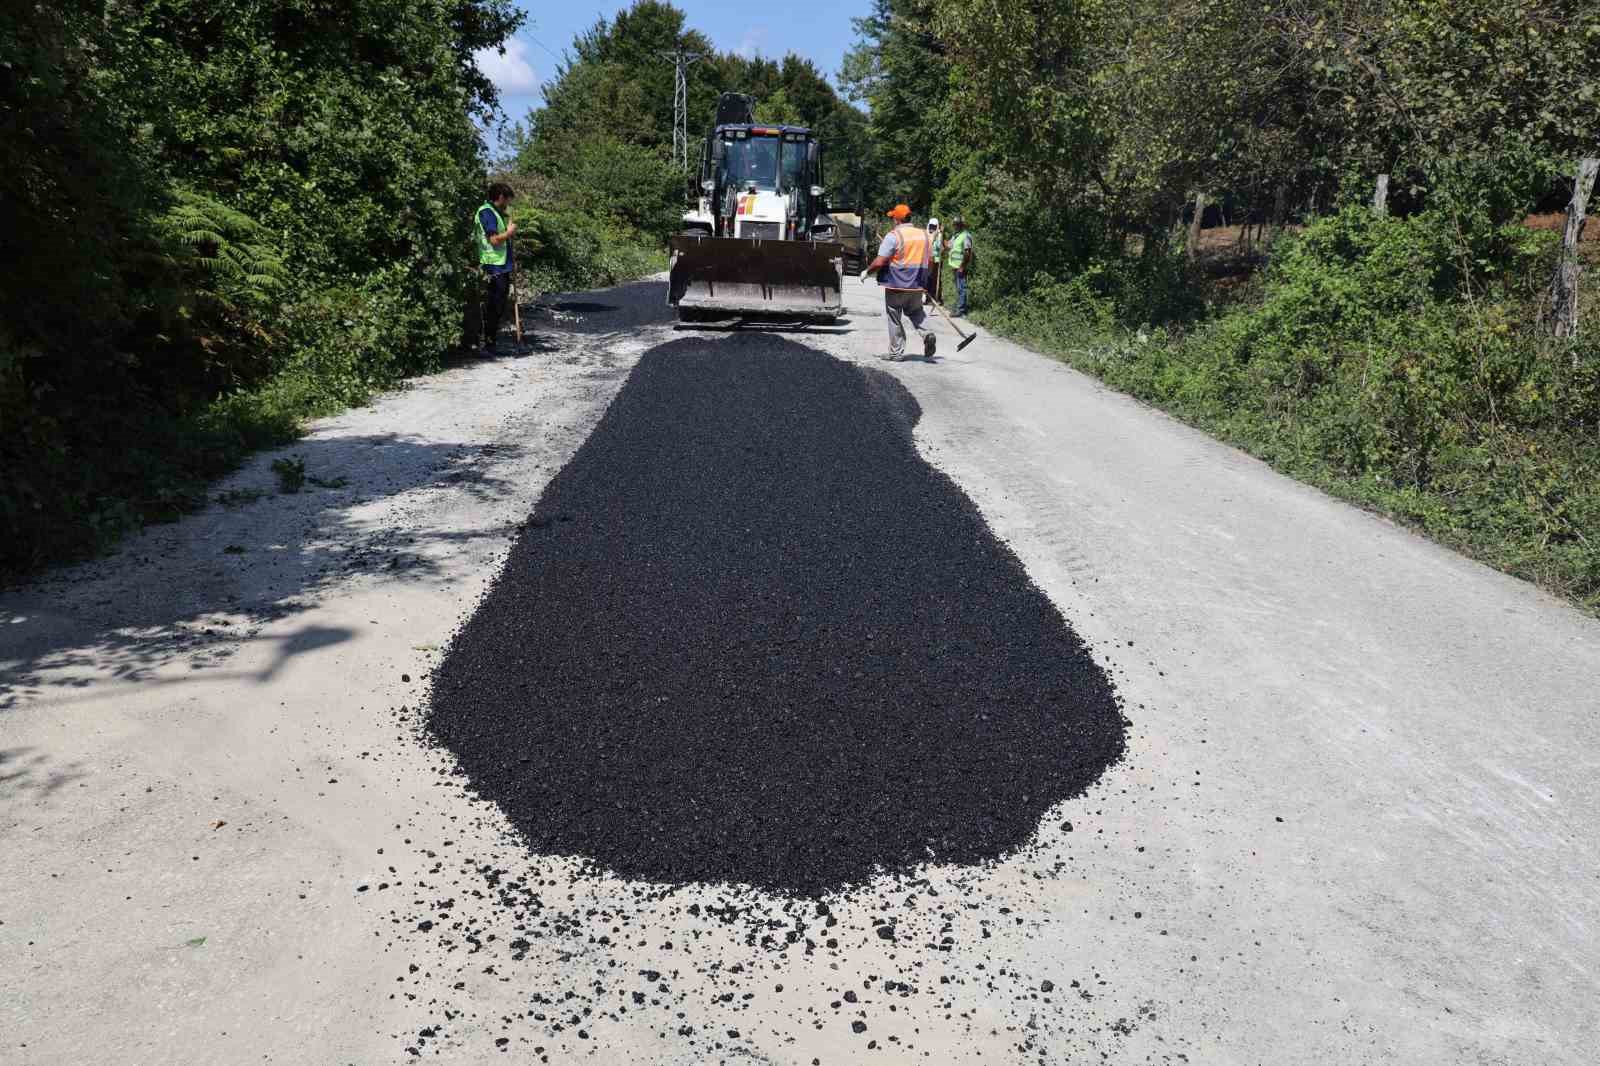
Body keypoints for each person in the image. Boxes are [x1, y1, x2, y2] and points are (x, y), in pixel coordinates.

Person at [862, 204, 936, 361]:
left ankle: (896, 353)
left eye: (893, 218)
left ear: (897, 219)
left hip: (896, 284)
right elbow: (930, 262)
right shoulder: (924, 235)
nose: (892, 221)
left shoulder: (894, 236)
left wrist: (867, 272)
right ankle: (927, 333)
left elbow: (880, 261)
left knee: (894, 316)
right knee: (916, 312)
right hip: (916, 285)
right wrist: (925, 281)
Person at [475, 182, 517, 354]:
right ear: (500, 197)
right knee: (494, 305)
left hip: (501, 264)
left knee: (499, 304)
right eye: (506, 200)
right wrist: (509, 232)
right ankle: (489, 344)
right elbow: (493, 240)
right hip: (493, 264)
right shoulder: (487, 212)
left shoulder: (495, 212)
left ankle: (492, 342)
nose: (507, 204)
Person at [947, 215, 975, 316]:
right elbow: (948, 246)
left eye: (957, 224)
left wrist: (962, 266)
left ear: (961, 225)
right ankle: (959, 305)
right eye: (954, 224)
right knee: (958, 288)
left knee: (961, 288)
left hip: (960, 266)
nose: (955, 226)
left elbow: (967, 252)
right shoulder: (956, 235)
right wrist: (940, 234)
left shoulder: (966, 236)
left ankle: (961, 309)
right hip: (955, 266)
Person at [925, 218, 944, 306]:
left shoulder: (939, 235)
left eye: (934, 226)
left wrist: (938, 238)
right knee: (928, 279)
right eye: (931, 226)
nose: (932, 228)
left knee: (936, 280)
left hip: (936, 261)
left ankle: (937, 298)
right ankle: (928, 298)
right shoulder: (927, 233)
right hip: (928, 260)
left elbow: (940, 247)